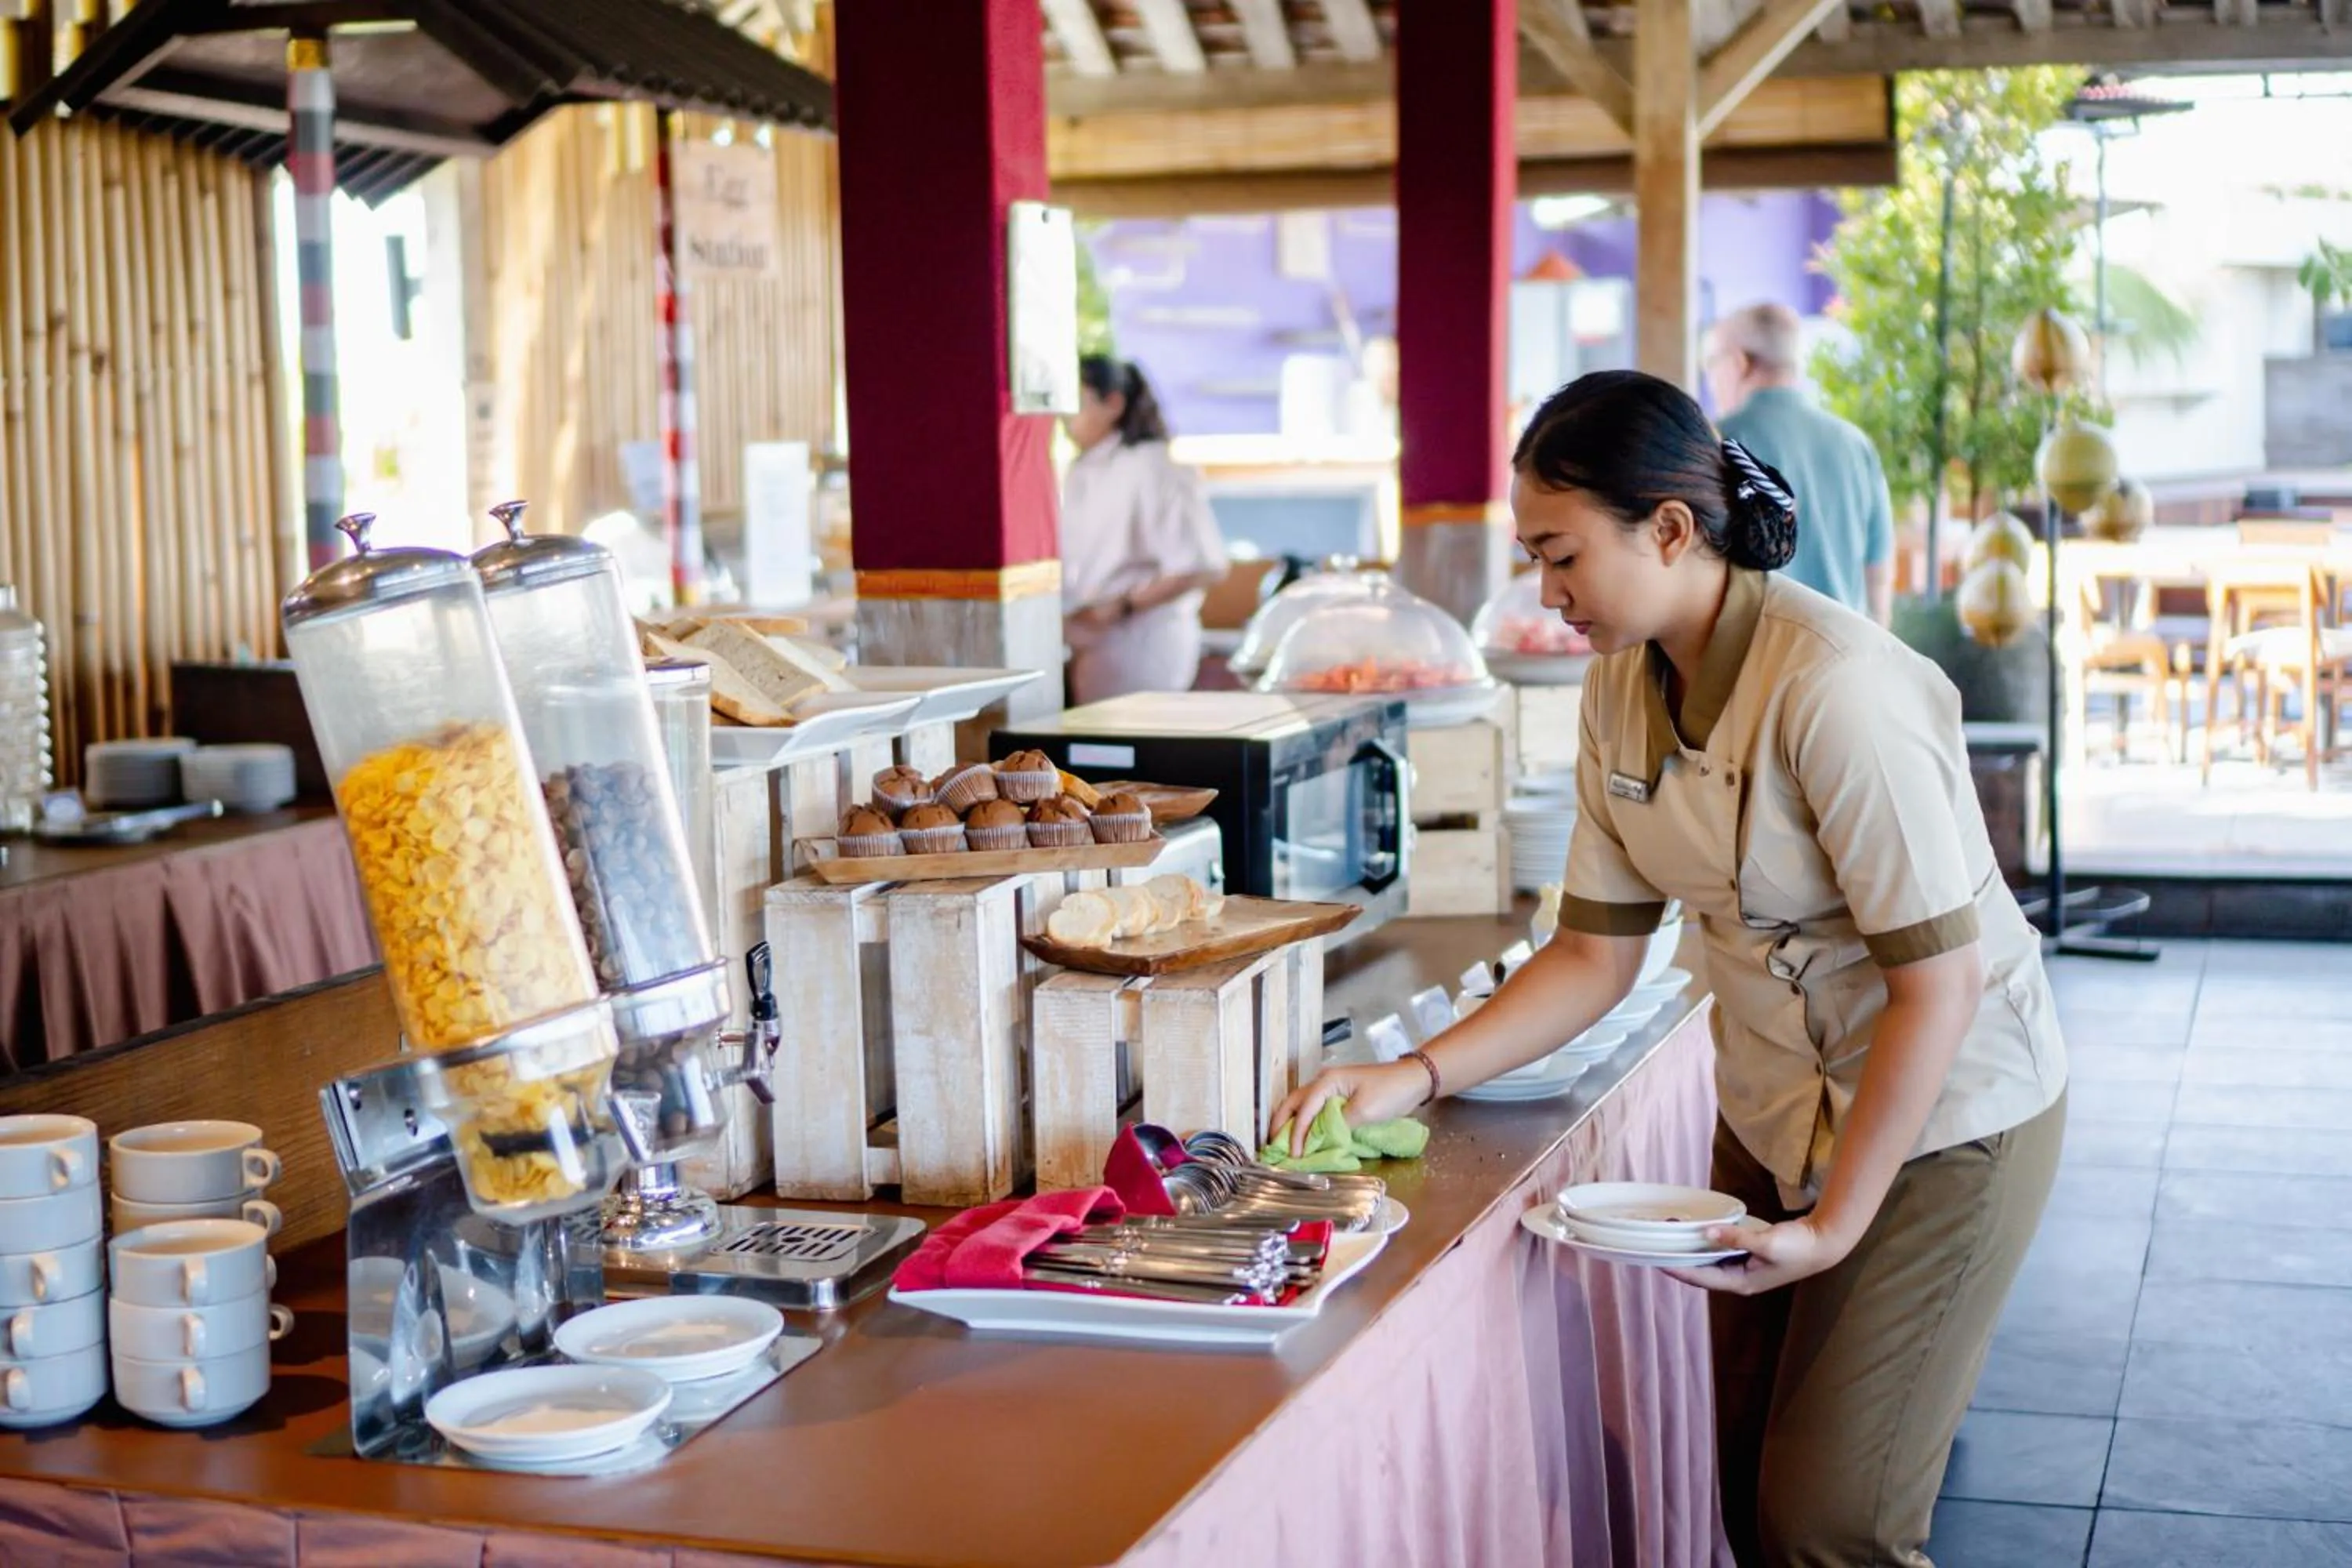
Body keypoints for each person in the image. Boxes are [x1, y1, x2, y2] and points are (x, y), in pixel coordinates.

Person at [1273, 370, 2067, 1568]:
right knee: (1749, 1494)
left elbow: (1938, 987)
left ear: (1673, 529)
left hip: (1943, 1122)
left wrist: (1836, 1225)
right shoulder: (1619, 690)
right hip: (1770, 1112)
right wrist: (1412, 1076)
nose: (1547, 595)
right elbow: (1594, 954)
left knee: (1830, 1525)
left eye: (1563, 556)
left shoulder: (1835, 687)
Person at [1705, 303, 1895, 623]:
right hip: (1842, 655)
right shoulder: (1856, 444)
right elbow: (1878, 576)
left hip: (1757, 662)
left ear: (1738, 363)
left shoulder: (1718, 441)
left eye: (1710, 364)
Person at [1059, 357, 1229, 706]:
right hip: (1090, 644)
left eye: (1077, 403)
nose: (1064, 419)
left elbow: (1203, 564)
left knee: (1132, 751)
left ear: (1114, 404)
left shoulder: (1152, 465)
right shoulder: (1083, 469)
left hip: (1141, 644)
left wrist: (1122, 605)